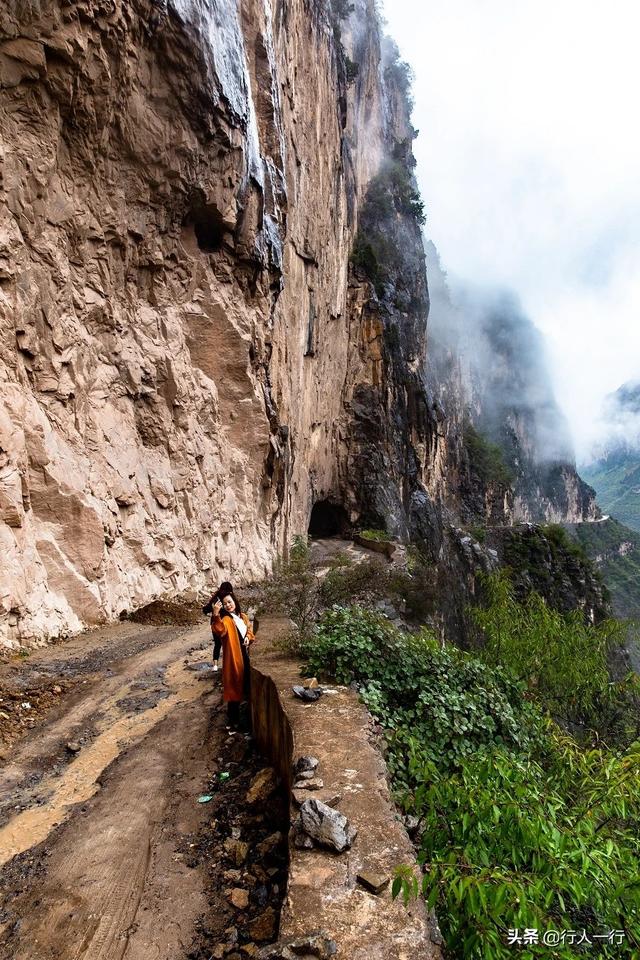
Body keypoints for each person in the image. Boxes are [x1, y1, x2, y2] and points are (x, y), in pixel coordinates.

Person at [211, 589, 255, 727]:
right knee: (234, 691)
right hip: (234, 659)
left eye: (229, 602)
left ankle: (244, 722)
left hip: (244, 657)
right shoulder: (226, 620)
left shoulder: (243, 616)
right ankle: (233, 723)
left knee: (245, 688)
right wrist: (215, 614)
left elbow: (249, 631)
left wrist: (248, 638)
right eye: (225, 604)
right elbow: (219, 630)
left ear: (235, 601)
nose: (228, 605)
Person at [203, 581, 233, 671]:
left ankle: (215, 665)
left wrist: (211, 611)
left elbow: (206, 609)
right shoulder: (225, 599)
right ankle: (228, 664)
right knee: (226, 644)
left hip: (214, 624)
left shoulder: (215, 597)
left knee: (217, 644)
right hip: (223, 623)